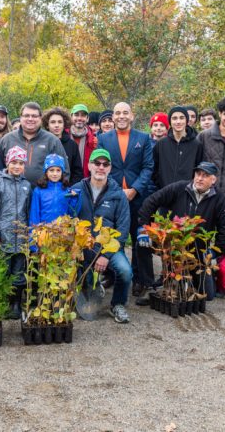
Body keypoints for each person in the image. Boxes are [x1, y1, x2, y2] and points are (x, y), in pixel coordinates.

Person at [138, 161, 225, 302]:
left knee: (208, 295)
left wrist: (214, 252)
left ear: (213, 180)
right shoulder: (179, 188)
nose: (199, 178)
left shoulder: (219, 199)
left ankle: (184, 282)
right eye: (198, 174)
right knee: (142, 245)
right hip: (172, 248)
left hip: (197, 255)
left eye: (205, 175)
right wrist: (143, 228)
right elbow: (151, 201)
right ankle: (149, 286)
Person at [97, 102, 155, 302]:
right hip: (113, 196)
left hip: (138, 197)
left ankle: (140, 280)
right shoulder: (103, 138)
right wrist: (117, 191)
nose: (121, 116)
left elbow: (148, 167)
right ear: (112, 117)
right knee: (113, 237)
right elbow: (102, 166)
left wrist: (135, 189)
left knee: (139, 239)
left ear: (132, 116)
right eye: (117, 113)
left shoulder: (143, 138)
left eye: (125, 113)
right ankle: (114, 276)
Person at [71, 149, 133, 323]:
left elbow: (122, 228)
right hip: (82, 247)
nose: (100, 167)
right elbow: (67, 220)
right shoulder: (76, 190)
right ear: (89, 165)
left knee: (125, 271)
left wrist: (105, 255)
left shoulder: (118, 194)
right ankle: (76, 294)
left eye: (105, 164)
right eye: (97, 163)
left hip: (108, 246)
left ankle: (118, 304)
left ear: (110, 168)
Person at [0, 146, 32, 319]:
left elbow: (28, 212)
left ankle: (16, 304)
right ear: (7, 163)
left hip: (21, 238)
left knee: (19, 273)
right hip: (3, 237)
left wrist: (29, 234)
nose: (17, 166)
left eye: (21, 163)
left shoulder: (27, 185)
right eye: (14, 162)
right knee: (3, 271)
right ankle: (3, 302)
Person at [0, 102, 69, 185]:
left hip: (43, 195)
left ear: (40, 118)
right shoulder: (7, 139)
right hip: (11, 195)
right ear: (20, 118)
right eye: (26, 116)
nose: (30, 119)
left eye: (34, 116)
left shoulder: (52, 141)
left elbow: (64, 171)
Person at [152, 106, 205, 190]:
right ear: (170, 121)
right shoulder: (161, 144)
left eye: (181, 118)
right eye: (174, 118)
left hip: (188, 195)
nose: (178, 121)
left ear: (186, 120)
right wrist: (161, 184)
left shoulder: (196, 145)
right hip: (165, 194)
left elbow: (200, 170)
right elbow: (154, 169)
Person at [29, 154, 80, 225]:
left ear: (62, 172)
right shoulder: (38, 191)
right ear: (46, 172)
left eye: (58, 170)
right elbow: (34, 214)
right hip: (44, 232)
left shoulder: (66, 190)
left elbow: (71, 213)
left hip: (62, 231)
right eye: (51, 170)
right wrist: (33, 233)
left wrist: (74, 198)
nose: (55, 174)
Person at [42, 107, 84, 184]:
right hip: (43, 189)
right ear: (47, 125)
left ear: (64, 124)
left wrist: (69, 189)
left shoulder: (72, 145)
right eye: (53, 122)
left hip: (65, 189)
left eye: (60, 122)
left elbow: (77, 172)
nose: (57, 125)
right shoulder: (42, 143)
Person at [70, 104, 98, 179]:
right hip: (65, 182)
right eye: (76, 115)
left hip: (85, 181)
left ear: (87, 118)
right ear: (71, 117)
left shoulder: (93, 140)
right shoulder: (63, 136)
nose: (79, 118)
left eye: (83, 115)